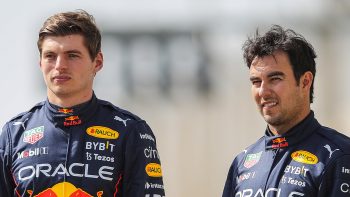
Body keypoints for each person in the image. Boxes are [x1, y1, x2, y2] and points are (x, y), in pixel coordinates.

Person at [0, 10, 165, 197]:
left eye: (72, 55)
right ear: (40, 63)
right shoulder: (13, 134)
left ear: (97, 62)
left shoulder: (131, 131)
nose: (60, 65)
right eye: (50, 56)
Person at [222, 25, 350, 197]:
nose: (263, 92)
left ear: (305, 82)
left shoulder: (340, 156)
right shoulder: (242, 162)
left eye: (275, 79)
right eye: (256, 82)